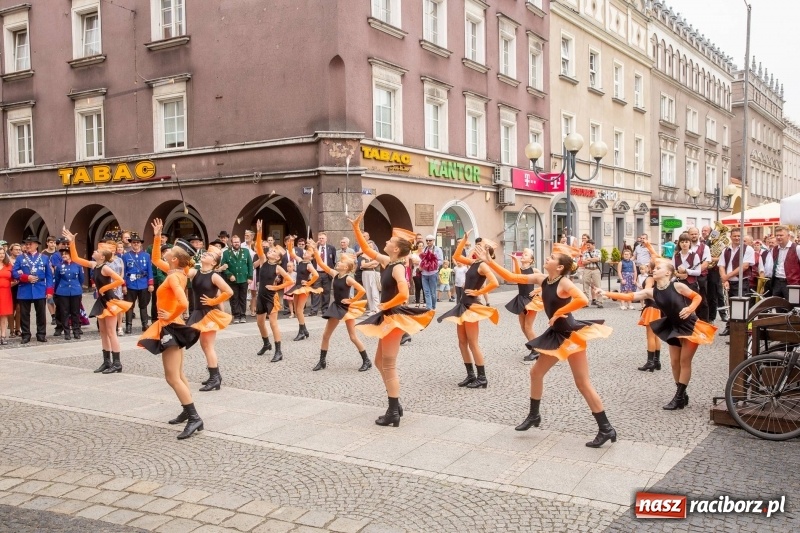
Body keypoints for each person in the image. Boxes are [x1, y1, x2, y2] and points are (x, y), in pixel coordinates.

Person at [477, 243, 615, 448]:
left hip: (570, 335)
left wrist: (559, 312)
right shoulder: (543, 279)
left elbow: (583, 299)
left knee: (582, 383)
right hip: (556, 335)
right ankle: (534, 416)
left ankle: (606, 428)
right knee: (535, 373)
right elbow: (513, 278)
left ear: (559, 267)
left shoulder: (565, 283)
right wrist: (490, 263)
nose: (548, 259)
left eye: (551, 258)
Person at [349, 212, 435, 427]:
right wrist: (356, 229)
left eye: (389, 241)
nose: (385, 242)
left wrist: (385, 305)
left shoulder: (397, 267)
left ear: (396, 249)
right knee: (380, 362)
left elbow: (405, 294)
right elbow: (367, 251)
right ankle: (395, 406)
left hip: (394, 318)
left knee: (388, 365)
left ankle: (393, 411)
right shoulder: (388, 261)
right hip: (388, 316)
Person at [597, 259, 716, 410]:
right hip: (673, 326)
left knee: (684, 362)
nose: (654, 269)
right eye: (654, 268)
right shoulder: (651, 292)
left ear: (668, 272)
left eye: (658, 268)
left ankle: (678, 397)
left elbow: (697, 297)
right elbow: (630, 296)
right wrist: (605, 293)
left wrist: (691, 308)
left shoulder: (678, 286)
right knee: (674, 363)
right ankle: (682, 393)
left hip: (690, 326)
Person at [138, 231, 204, 440]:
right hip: (172, 325)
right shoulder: (176, 272)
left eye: (169, 252)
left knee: (171, 376)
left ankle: (194, 417)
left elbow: (184, 303)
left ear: (175, 259)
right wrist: (156, 237)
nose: (165, 254)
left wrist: (170, 315)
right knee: (179, 373)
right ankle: (188, 411)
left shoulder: (174, 276)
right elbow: (155, 258)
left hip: (171, 327)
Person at [161, 227, 234, 392]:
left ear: (214, 262)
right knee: (204, 345)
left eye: (209, 255)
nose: (206, 255)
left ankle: (215, 378)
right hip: (198, 311)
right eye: (206, 254)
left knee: (208, 346)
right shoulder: (196, 272)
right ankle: (214, 374)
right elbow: (184, 270)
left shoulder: (214, 276)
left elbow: (229, 292)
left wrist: (214, 300)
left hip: (209, 313)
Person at [62, 228, 131, 373]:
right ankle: (106, 361)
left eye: (97, 251)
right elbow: (75, 259)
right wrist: (72, 242)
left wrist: (105, 288)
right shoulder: (95, 265)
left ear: (102, 256)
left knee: (111, 332)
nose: (94, 252)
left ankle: (117, 363)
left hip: (110, 300)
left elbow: (119, 280)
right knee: (103, 332)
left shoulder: (105, 268)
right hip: (102, 301)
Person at [438, 232, 499, 389]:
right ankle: (471, 375)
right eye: (476, 245)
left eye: (480, 246)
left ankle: (482, 377)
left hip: (472, 306)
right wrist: (464, 240)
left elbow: (495, 282)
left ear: (486, 252)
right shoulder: (473, 262)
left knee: (473, 342)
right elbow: (457, 255)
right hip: (463, 304)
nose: (476, 247)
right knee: (462, 342)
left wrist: (478, 293)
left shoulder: (483, 265)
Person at [311, 247, 371, 372]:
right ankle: (322, 362)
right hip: (336, 307)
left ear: (346, 267)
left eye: (341, 262)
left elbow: (362, 290)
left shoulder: (348, 278)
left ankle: (367, 360)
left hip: (346, 308)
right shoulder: (335, 274)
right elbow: (322, 264)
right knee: (326, 335)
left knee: (353, 337)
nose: (338, 263)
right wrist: (316, 252)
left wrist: (351, 300)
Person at [253, 221, 294, 361]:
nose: (270, 251)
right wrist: (259, 232)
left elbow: (290, 281)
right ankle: (266, 344)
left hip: (271, 297)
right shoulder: (263, 261)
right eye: (270, 250)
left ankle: (279, 351)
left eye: (274, 252)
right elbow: (259, 247)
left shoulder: (278, 268)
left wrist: (276, 288)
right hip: (261, 296)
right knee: (259, 322)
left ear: (277, 258)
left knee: (273, 323)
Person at [12, 236, 54, 344]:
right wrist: (26, 277)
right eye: (26, 244)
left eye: (30, 244)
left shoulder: (44, 258)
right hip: (24, 289)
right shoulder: (20, 258)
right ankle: (25, 335)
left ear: (36, 245)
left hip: (39, 288)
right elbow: (14, 272)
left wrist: (49, 291)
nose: (27, 245)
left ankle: (41, 334)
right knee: (24, 314)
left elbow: (49, 276)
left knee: (41, 314)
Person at [503, 248, 542, 362]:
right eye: (523, 254)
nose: (523, 256)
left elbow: (548, 282)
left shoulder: (534, 270)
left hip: (531, 300)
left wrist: (537, 290)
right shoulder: (519, 269)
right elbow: (517, 277)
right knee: (523, 327)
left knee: (528, 326)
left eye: (526, 255)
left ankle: (536, 350)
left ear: (531, 259)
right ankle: (535, 348)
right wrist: (515, 260)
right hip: (521, 299)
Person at [718, 228, 754, 337]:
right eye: (735, 236)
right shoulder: (726, 250)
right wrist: (724, 279)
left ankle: (745, 331)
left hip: (741, 282)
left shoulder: (748, 249)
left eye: (739, 236)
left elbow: (744, 266)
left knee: (742, 308)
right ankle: (731, 328)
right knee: (730, 307)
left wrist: (726, 277)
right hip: (729, 282)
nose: (737, 238)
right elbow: (721, 265)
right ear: (731, 237)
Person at [286, 237, 322, 341]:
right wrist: (291, 242)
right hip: (297, 286)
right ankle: (304, 330)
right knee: (297, 311)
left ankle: (301, 332)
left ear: (311, 257)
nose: (304, 254)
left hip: (303, 288)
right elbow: (291, 253)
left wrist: (308, 283)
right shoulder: (300, 260)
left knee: (299, 310)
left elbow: (316, 275)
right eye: (305, 253)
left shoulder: (309, 265)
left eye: (307, 254)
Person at [122, 232, 153, 334]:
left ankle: (144, 324)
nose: (136, 244)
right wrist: (124, 285)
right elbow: (123, 272)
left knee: (143, 305)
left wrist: (151, 284)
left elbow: (149, 270)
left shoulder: (146, 255)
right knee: (129, 306)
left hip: (143, 283)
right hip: (131, 284)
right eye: (134, 242)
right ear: (131, 244)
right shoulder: (126, 256)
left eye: (137, 242)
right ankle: (129, 325)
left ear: (140, 244)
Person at [636, 262, 663, 372]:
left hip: (652, 307)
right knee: (656, 335)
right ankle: (657, 361)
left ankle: (650, 362)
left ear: (650, 268)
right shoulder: (661, 279)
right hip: (660, 308)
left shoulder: (650, 279)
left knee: (650, 336)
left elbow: (647, 292)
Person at [220, 235, 253, 324]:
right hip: (232, 279)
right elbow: (223, 266)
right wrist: (229, 275)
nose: (236, 244)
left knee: (243, 297)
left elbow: (250, 264)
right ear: (231, 243)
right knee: (234, 298)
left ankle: (243, 315)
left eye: (238, 242)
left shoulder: (245, 251)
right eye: (235, 242)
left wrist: (250, 277)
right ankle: (236, 316)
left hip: (243, 278)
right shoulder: (226, 253)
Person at [53, 248, 84, 341]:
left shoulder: (78, 265)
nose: (64, 255)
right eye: (63, 254)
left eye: (66, 254)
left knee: (75, 312)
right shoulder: (59, 266)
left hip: (75, 291)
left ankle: (76, 331)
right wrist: (57, 290)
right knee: (64, 312)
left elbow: (81, 279)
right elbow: (57, 279)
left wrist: (77, 287)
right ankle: (67, 332)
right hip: (63, 291)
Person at [763, 226, 799, 301]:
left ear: (788, 236)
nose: (778, 237)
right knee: (776, 305)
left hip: (792, 283)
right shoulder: (774, 249)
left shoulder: (797, 248)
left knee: (793, 306)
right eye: (777, 235)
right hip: (777, 282)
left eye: (781, 235)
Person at [310, 232, 336, 316]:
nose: (321, 240)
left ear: (326, 239)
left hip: (327, 273)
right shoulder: (315, 248)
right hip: (317, 273)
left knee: (326, 292)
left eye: (322, 238)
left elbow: (333, 261)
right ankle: (314, 310)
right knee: (316, 292)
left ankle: (325, 309)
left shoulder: (331, 248)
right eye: (320, 238)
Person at [687, 227, 711, 321]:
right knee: (688, 300)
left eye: (695, 234)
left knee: (702, 300)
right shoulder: (685, 245)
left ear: (698, 234)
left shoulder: (705, 247)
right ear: (688, 235)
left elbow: (705, 263)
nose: (694, 236)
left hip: (700, 277)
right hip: (686, 278)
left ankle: (704, 323)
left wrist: (692, 272)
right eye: (692, 234)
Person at [418, 235, 443, 311]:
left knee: (432, 292)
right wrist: (421, 266)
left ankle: (433, 306)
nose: (428, 242)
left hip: (433, 273)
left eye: (430, 240)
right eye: (427, 240)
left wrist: (432, 264)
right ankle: (429, 308)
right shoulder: (424, 249)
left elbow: (441, 261)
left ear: (433, 240)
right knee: (426, 291)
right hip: (424, 273)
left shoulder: (438, 249)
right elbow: (421, 260)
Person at [358, 232, 381, 315]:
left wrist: (367, 265)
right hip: (365, 274)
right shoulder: (364, 254)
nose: (369, 247)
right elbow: (362, 264)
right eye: (368, 245)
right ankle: (372, 309)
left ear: (373, 246)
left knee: (375, 291)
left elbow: (377, 263)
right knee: (368, 291)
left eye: (371, 245)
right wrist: (370, 264)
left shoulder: (377, 254)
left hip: (374, 273)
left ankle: (377, 309)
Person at [581, 240, 602, 307]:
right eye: (587, 245)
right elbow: (583, 262)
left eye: (589, 245)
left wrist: (588, 259)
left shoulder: (598, 251)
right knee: (585, 286)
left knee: (597, 286)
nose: (587, 246)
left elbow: (598, 259)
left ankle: (599, 301)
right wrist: (592, 259)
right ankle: (585, 302)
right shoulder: (585, 252)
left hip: (595, 270)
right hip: (587, 270)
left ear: (593, 245)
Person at [0, 247, 13, 344]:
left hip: (5, 292)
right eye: (0, 253)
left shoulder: (8, 265)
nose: (1, 255)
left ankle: (3, 335)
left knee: (4, 314)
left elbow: (14, 277)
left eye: (3, 253)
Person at [8, 243, 21, 338]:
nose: (18, 251)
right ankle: (12, 330)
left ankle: (18, 329)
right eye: (16, 249)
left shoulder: (22, 260)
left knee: (19, 309)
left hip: (21, 286)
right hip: (11, 286)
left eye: (19, 249)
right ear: (11, 250)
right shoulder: (8, 261)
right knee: (11, 309)